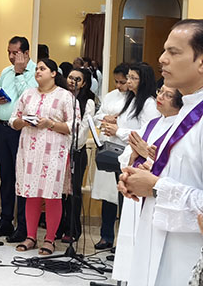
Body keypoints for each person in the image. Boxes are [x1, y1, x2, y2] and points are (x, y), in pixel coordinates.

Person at [118, 20, 203, 286]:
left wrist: (156, 187)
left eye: (174, 52)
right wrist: (140, 175)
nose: (162, 59)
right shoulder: (184, 112)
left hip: (188, 255)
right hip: (158, 244)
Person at [112, 85, 182, 282]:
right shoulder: (151, 124)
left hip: (154, 193)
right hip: (135, 191)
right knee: (131, 242)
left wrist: (147, 155)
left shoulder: (180, 127)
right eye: (160, 92)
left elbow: (173, 163)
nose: (160, 97)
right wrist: (133, 158)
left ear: (179, 101)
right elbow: (128, 153)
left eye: (168, 95)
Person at [10, 58, 77, 255]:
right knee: (31, 194)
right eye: (37, 69)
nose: (38, 71)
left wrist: (50, 124)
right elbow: (13, 120)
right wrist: (23, 122)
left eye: (42, 68)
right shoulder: (28, 94)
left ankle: (49, 239)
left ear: (53, 73)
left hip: (54, 152)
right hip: (29, 152)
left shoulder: (65, 96)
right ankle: (31, 237)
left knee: (51, 195)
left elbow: (73, 125)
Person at [0, 36, 37, 243]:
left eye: (15, 53)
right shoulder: (6, 71)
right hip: (3, 127)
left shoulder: (36, 71)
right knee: (6, 177)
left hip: (22, 131)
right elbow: (1, 97)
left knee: (22, 178)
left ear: (26, 53)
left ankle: (23, 226)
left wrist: (20, 73)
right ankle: (5, 221)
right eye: (9, 52)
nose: (11, 56)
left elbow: (29, 99)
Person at [91, 62, 129, 249]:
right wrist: (105, 119)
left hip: (122, 148)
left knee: (122, 197)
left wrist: (117, 122)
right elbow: (97, 116)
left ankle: (122, 242)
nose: (118, 86)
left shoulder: (137, 99)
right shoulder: (110, 96)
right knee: (108, 196)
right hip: (106, 147)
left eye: (122, 82)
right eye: (116, 81)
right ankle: (106, 236)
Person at [57, 68, 95, 242]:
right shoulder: (61, 97)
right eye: (70, 78)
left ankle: (72, 229)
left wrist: (70, 144)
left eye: (77, 79)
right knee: (58, 191)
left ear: (84, 83)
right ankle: (58, 227)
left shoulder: (88, 102)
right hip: (59, 150)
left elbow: (84, 128)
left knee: (73, 192)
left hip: (76, 151)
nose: (72, 81)